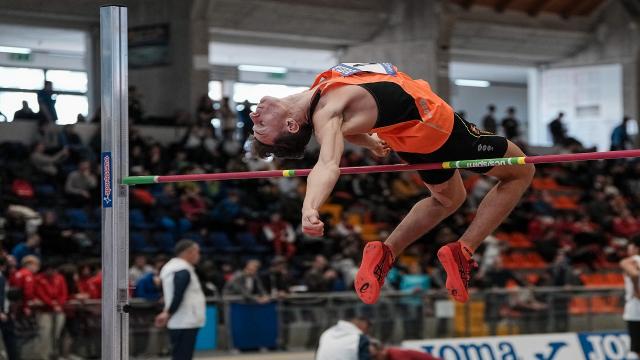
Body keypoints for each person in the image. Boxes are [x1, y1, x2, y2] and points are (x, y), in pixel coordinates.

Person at [250, 62, 534, 304]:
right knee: (521, 170)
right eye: (260, 126)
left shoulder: (319, 92)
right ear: (290, 126)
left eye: (256, 123)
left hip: (407, 134)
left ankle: (385, 253)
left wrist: (370, 142)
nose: (254, 116)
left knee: (448, 199)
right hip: (434, 123)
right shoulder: (326, 111)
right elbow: (327, 164)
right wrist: (309, 207)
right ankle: (464, 250)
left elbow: (346, 126)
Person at [155, 240, 206, 360]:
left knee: (181, 354)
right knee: (183, 355)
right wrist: (167, 313)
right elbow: (178, 293)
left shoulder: (174, 268)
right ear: (188, 253)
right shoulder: (182, 269)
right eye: (197, 252)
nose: (199, 255)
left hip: (183, 319)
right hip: (185, 320)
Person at [620, 236, 640, 356]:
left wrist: (636, 289)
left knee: (638, 348)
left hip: (635, 311)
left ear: (635, 248)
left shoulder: (628, 261)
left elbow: (634, 274)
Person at [0, 257, 18, 360]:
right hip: (2, 313)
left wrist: (8, 311)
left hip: (6, 313)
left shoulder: (4, 278)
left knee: (10, 340)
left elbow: (5, 296)